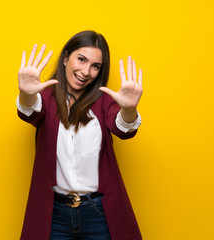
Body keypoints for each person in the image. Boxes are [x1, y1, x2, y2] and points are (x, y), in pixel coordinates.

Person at [17, 30, 143, 240]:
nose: (86, 71)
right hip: (54, 214)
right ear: (66, 58)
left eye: (95, 66)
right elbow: (30, 111)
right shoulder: (46, 98)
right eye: (81, 59)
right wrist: (26, 94)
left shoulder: (105, 101)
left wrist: (129, 110)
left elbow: (123, 128)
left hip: (97, 213)